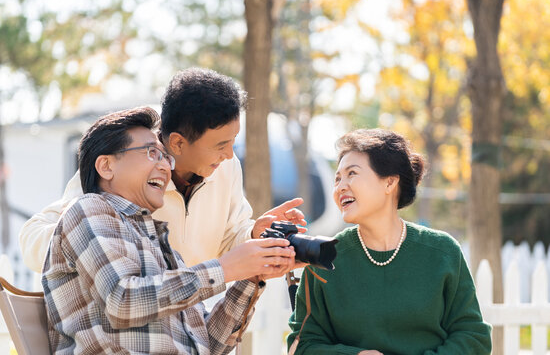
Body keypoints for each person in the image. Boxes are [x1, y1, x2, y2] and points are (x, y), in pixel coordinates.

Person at [43, 107, 296, 354]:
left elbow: (209, 343)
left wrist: (252, 276)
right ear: (106, 166)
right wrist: (225, 268)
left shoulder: (162, 245)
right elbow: (122, 300)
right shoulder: (89, 210)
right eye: (151, 153)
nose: (166, 167)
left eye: (165, 157)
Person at [20, 67, 306, 272]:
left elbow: (228, 242)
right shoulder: (126, 170)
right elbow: (35, 238)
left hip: (188, 327)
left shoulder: (227, 167)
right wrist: (104, 240)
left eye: (233, 142)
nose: (230, 154)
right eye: (221, 144)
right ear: (178, 143)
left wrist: (254, 235)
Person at [287, 128, 492, 355]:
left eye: (352, 173)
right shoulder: (323, 257)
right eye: (337, 178)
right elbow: (301, 346)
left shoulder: (442, 252)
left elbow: (473, 337)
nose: (340, 187)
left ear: (389, 182)